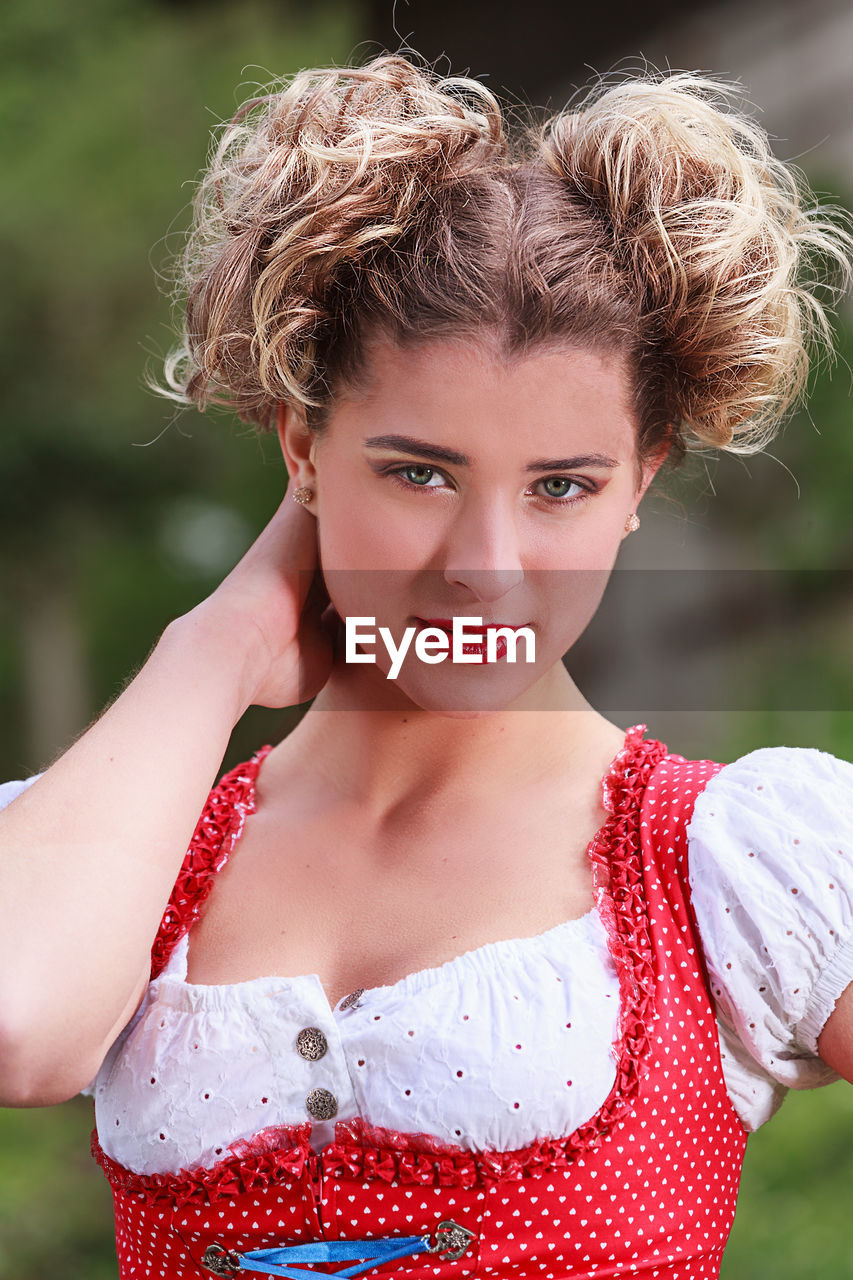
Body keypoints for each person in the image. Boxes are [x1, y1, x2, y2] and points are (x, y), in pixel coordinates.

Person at [1, 49, 852, 1280]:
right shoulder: (123, 846)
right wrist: (220, 643)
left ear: (641, 482)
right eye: (418, 473)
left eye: (561, 487)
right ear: (301, 447)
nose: (486, 568)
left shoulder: (741, 862)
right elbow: (21, 1026)